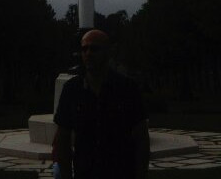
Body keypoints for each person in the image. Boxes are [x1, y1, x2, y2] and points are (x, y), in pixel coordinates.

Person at [53, 29, 150, 179]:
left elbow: (141, 137)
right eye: (84, 49)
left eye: (94, 48)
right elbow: (62, 138)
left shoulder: (127, 88)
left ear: (108, 51)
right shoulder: (72, 90)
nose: (88, 53)